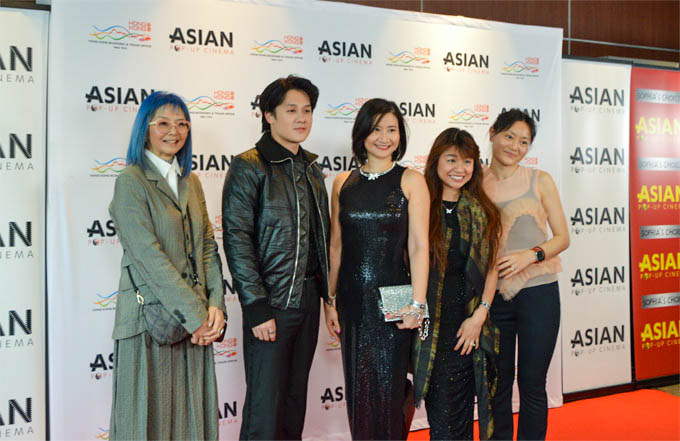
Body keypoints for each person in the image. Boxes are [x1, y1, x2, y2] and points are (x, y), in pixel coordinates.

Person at [109, 91, 227, 440]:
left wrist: (216, 306)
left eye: (182, 124)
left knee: (192, 424)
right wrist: (196, 317)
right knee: (147, 424)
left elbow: (207, 245)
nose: (173, 131)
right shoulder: (131, 182)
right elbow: (149, 258)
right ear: (145, 129)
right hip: (150, 323)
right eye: (163, 123)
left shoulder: (191, 181)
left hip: (195, 324)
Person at [221, 75, 330, 440]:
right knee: (264, 411)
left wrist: (328, 299)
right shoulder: (249, 166)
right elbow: (237, 239)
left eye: (307, 111)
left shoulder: (311, 169)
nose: (301, 118)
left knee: (294, 404)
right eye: (291, 110)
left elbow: (320, 240)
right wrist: (256, 306)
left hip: (308, 300)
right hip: (271, 303)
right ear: (268, 115)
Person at [323, 98, 430, 440]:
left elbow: (419, 247)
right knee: (359, 392)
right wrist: (329, 300)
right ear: (362, 134)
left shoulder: (411, 180)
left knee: (390, 392)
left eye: (392, 130)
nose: (384, 138)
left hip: (394, 304)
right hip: (352, 303)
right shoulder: (343, 182)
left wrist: (417, 305)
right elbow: (336, 246)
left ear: (401, 136)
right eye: (376, 129)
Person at [482, 109, 569, 440]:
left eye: (524, 142)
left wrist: (529, 256)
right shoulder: (475, 182)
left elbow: (562, 238)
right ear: (493, 132)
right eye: (509, 137)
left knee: (532, 383)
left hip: (539, 293)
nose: (515, 147)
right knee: (498, 384)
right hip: (493, 298)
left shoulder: (539, 180)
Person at [412, 128, 502, 440]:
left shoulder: (482, 211)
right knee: (442, 418)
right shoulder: (420, 206)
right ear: (436, 161)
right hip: (426, 328)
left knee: (460, 417)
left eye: (467, 161)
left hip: (466, 328)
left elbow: (492, 269)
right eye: (451, 160)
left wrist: (480, 316)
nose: (459, 169)